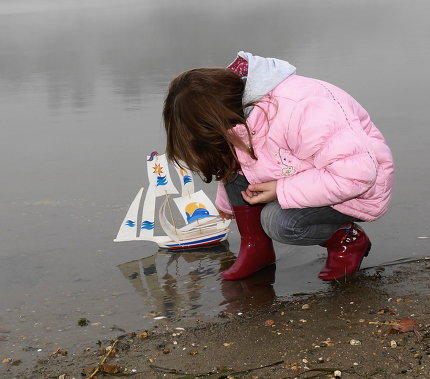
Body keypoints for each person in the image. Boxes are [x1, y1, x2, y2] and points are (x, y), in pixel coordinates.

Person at [162, 52, 394, 281]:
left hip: (358, 187)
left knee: (279, 222)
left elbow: (357, 176)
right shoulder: (240, 110)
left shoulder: (302, 109)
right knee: (231, 158)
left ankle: (347, 239)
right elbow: (235, 162)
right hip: (303, 171)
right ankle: (256, 248)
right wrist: (228, 205)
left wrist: (280, 191)